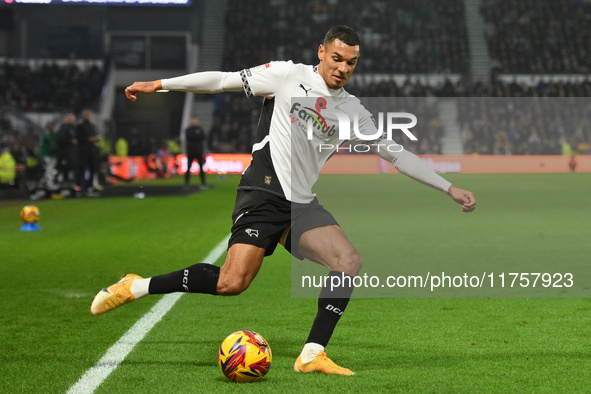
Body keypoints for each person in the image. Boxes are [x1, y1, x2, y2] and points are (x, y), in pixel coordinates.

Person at [91, 26, 476, 376]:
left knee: (348, 261)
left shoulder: (352, 110)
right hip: (263, 190)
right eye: (337, 58)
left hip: (301, 202)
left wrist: (448, 187)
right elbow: (222, 81)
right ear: (321, 52)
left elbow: (396, 154)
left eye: (351, 63)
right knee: (231, 282)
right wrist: (159, 84)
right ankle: (136, 286)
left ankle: (312, 354)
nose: (342, 68)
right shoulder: (289, 75)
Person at [76, 109, 99, 191]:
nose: (87, 116)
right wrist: (87, 139)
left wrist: (96, 139)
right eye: (86, 115)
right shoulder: (80, 126)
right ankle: (80, 186)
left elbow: (95, 135)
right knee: (81, 168)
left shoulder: (92, 125)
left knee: (93, 168)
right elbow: (78, 138)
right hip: (83, 150)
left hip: (91, 150)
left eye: (88, 115)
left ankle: (90, 186)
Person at [183, 116, 207, 187]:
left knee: (201, 168)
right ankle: (187, 183)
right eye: (193, 120)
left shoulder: (200, 129)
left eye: (195, 120)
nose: (194, 122)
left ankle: (203, 183)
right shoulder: (188, 130)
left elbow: (202, 137)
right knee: (188, 167)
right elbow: (192, 137)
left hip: (199, 152)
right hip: (191, 152)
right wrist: (197, 136)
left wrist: (196, 137)